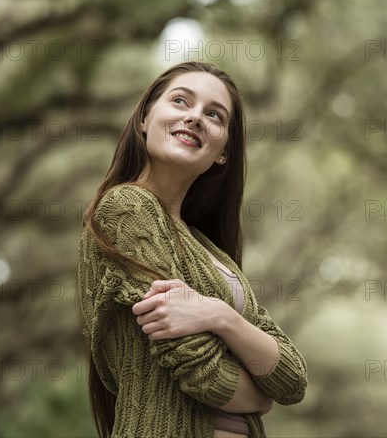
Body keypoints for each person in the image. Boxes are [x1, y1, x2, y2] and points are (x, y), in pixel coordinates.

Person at [76, 61, 308, 438]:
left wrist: (220, 316)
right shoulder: (126, 209)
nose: (196, 117)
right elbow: (202, 372)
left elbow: (293, 380)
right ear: (144, 120)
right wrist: (260, 398)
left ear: (223, 153)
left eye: (214, 115)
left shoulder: (210, 251)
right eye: (181, 101)